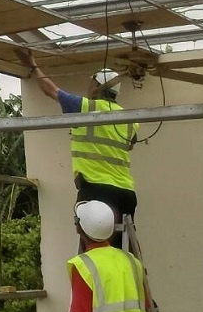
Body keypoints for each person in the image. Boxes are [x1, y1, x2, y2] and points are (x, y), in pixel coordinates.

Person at [16, 50, 138, 244]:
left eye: (91, 84)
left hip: (96, 191)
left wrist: (32, 65)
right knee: (121, 250)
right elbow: (129, 145)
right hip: (126, 194)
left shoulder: (84, 107)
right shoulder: (130, 120)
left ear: (98, 88)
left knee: (94, 248)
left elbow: (50, 90)